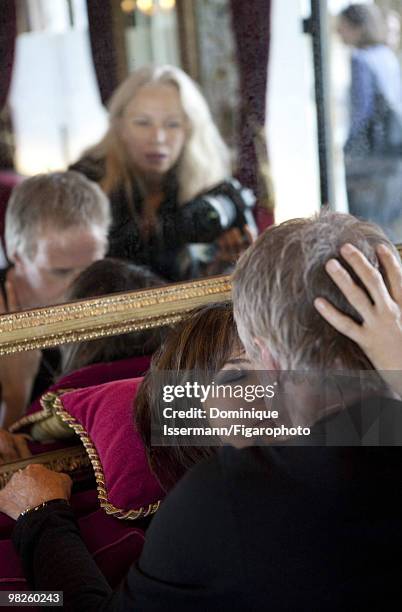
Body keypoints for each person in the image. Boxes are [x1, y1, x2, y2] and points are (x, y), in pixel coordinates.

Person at [2, 211, 402, 610]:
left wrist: (42, 519)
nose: (257, 402)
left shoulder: (228, 502)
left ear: (268, 359)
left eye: (244, 376)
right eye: (233, 381)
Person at [71, 65, 256, 281]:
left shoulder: (207, 186)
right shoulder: (85, 184)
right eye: (143, 123)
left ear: (189, 130)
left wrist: (222, 269)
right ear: (119, 126)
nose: (158, 137)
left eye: (172, 124)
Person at [0, 258, 166, 462]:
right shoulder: (194, 395)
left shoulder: (43, 442)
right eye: (60, 271)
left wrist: (15, 395)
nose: (64, 283)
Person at [0, 171, 111, 429]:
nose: (82, 287)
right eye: (60, 272)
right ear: (17, 255)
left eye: (92, 269)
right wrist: (16, 393)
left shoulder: (122, 291)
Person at [337, 4, 402, 235]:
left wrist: (348, 149)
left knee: (369, 228)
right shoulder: (387, 56)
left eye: (342, 27)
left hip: (369, 160)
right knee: (390, 225)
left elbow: (361, 112)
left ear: (357, 27)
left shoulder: (360, 59)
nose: (339, 33)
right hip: (393, 155)